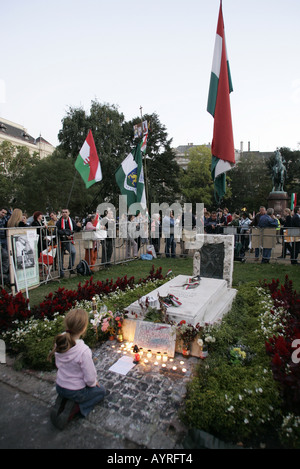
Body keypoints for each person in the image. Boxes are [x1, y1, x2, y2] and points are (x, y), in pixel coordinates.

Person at [48, 308, 106, 429]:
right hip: (76, 390)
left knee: (70, 390)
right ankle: (75, 409)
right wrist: (95, 383)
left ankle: (63, 401)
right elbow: (90, 379)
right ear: (84, 328)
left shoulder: (60, 340)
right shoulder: (83, 351)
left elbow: (58, 364)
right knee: (101, 392)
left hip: (60, 385)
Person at [56, 209, 81, 277]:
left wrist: (79, 227)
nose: (64, 213)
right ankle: (61, 271)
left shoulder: (72, 221)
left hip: (68, 241)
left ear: (69, 213)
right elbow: (57, 231)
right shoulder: (59, 222)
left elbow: (75, 229)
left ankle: (70, 266)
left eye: (66, 212)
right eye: (63, 212)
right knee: (61, 256)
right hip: (61, 241)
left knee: (73, 252)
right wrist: (66, 233)